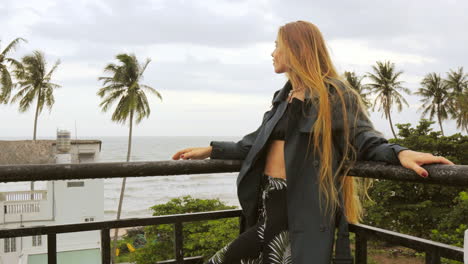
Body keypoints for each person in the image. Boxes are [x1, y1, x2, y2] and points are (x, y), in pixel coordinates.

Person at [172, 20, 454, 264]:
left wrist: (400, 153)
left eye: (277, 45)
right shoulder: (282, 97)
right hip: (266, 200)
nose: (272, 53)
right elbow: (254, 143)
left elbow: (362, 138)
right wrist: (211, 149)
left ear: (297, 49)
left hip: (295, 204)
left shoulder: (334, 93)